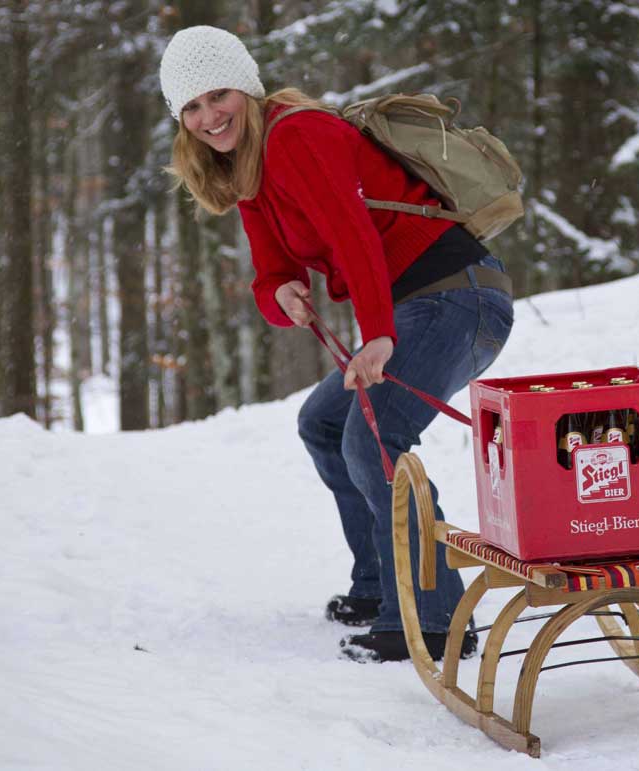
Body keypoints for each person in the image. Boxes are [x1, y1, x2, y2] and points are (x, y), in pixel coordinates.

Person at [160, 26, 514, 662]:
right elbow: (271, 271)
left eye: (219, 96)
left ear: (246, 88)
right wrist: (283, 296)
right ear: (181, 122)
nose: (210, 116)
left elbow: (353, 231)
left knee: (373, 434)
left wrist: (375, 333)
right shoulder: (247, 168)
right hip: (417, 304)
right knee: (324, 423)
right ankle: (380, 585)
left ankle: (437, 619)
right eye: (192, 107)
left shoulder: (298, 133)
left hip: (456, 295)